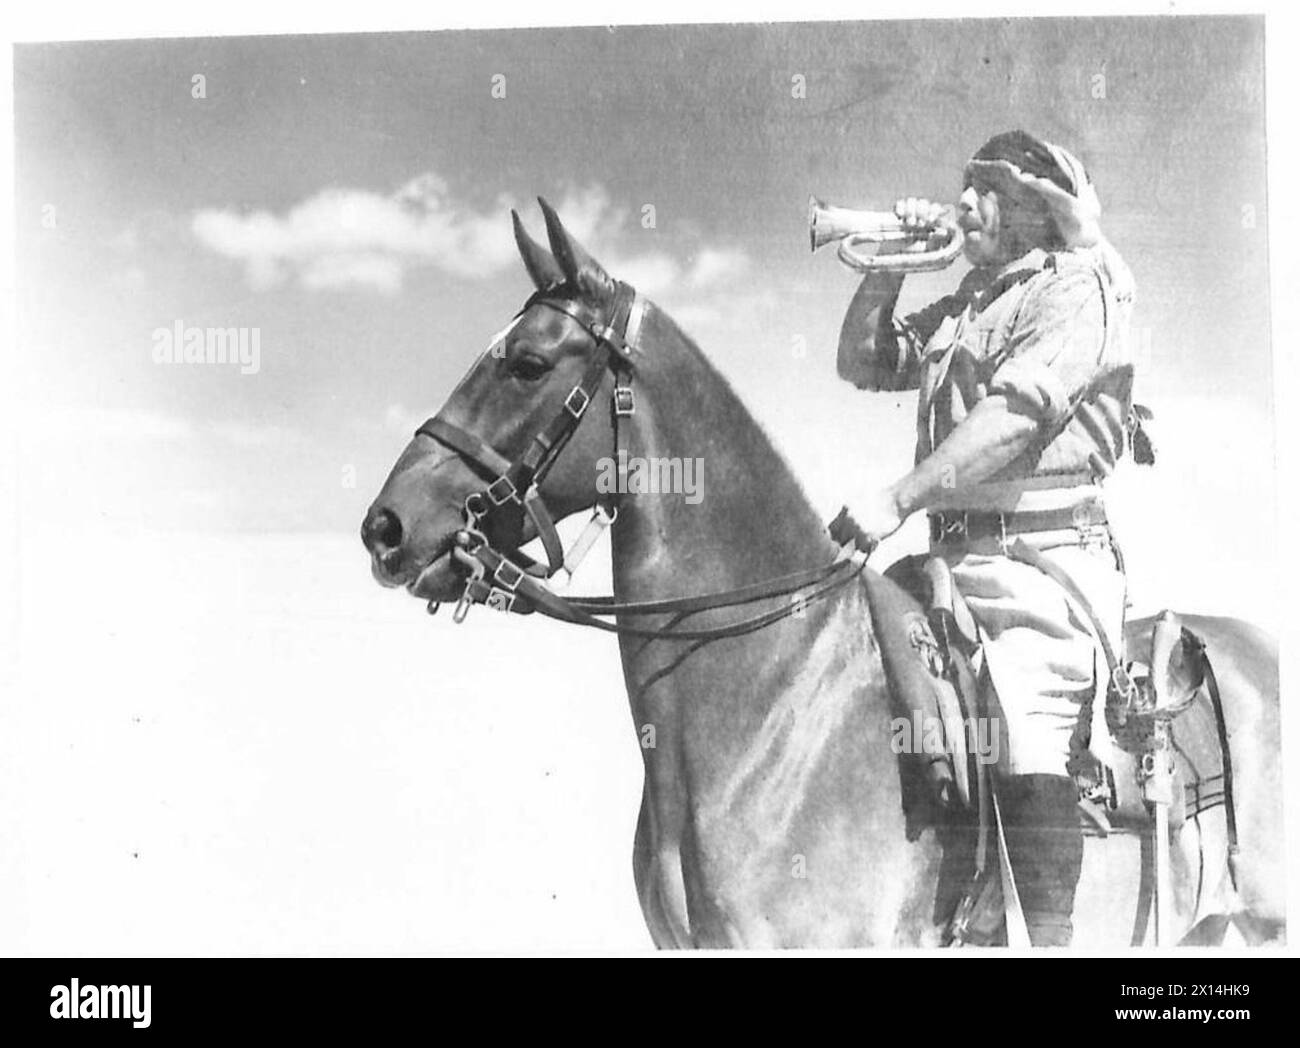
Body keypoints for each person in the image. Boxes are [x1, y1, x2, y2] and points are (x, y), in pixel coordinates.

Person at [836, 130, 1138, 946]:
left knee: (1023, 723)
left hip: (1040, 567)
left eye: (987, 191)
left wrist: (897, 499)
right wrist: (889, 264)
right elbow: (865, 361)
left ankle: (1045, 940)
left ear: (1036, 211)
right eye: (965, 185)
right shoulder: (972, 297)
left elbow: (1015, 419)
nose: (964, 203)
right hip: (948, 558)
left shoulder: (1074, 290)